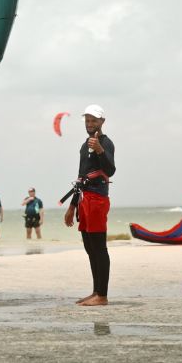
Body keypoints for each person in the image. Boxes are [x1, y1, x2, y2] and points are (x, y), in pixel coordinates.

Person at [64, 104, 116, 306]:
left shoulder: (106, 142)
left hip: (97, 200)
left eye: (94, 120)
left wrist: (101, 150)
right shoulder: (84, 145)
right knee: (89, 247)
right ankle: (96, 292)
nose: (90, 124)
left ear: (102, 122)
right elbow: (80, 178)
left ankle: (102, 295)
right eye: (87, 120)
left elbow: (110, 171)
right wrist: (72, 206)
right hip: (84, 199)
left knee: (99, 247)